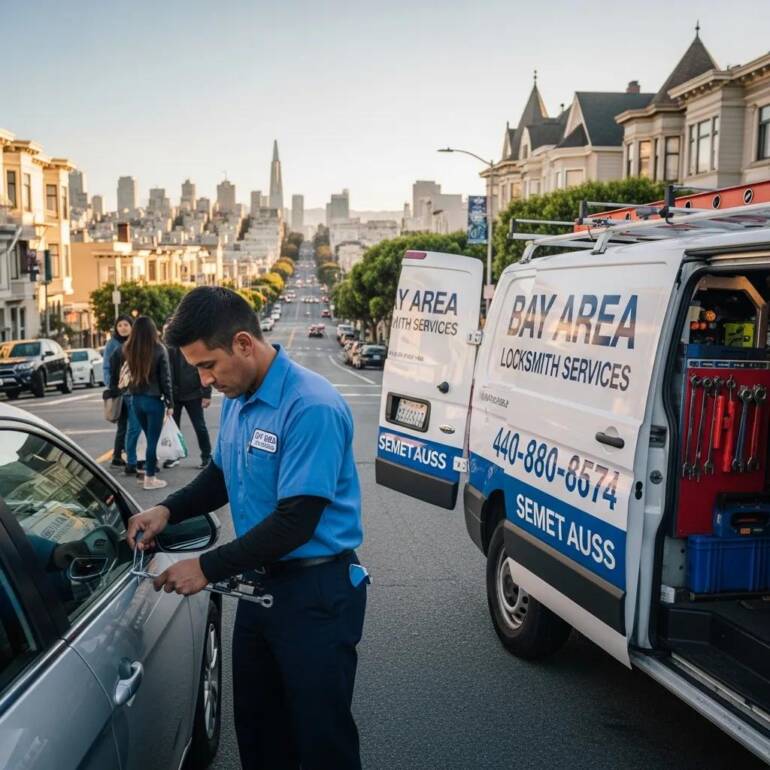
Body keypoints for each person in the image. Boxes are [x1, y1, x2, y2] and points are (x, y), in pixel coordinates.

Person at [127, 287, 366, 770]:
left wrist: (206, 567)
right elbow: (223, 474)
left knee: (321, 743)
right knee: (258, 733)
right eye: (196, 369)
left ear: (243, 343)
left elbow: (295, 523)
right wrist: (168, 509)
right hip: (260, 590)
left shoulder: (310, 405)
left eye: (208, 365)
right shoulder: (239, 396)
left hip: (316, 595)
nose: (205, 380)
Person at [110, 316, 173, 490]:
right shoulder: (159, 349)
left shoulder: (127, 349)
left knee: (144, 437)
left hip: (135, 400)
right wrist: (170, 403)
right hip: (154, 400)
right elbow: (166, 379)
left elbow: (116, 371)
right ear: (153, 330)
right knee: (152, 441)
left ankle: (141, 473)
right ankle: (150, 478)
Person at [165, 344, 212, 469]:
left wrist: (206, 394)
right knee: (173, 428)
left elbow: (205, 369)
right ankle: (174, 456)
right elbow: (165, 371)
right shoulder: (169, 348)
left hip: (194, 394)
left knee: (200, 426)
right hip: (174, 395)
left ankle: (207, 456)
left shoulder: (195, 345)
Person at [102, 315, 133, 467]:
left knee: (132, 425)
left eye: (126, 324)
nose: (123, 328)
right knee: (123, 426)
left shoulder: (136, 342)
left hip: (134, 390)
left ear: (131, 326)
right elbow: (106, 367)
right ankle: (119, 456)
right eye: (119, 325)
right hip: (120, 392)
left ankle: (125, 455)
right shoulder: (112, 344)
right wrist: (112, 386)